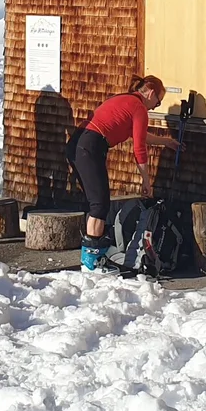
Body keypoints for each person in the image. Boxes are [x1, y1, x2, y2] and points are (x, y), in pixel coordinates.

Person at [66, 76, 179, 272]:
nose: (156, 107)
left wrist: (166, 142)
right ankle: (91, 262)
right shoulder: (139, 108)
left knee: (95, 202)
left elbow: (139, 136)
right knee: (99, 205)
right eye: (158, 102)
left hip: (79, 142)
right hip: (91, 146)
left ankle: (91, 257)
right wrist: (146, 181)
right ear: (150, 93)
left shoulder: (125, 100)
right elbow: (139, 148)